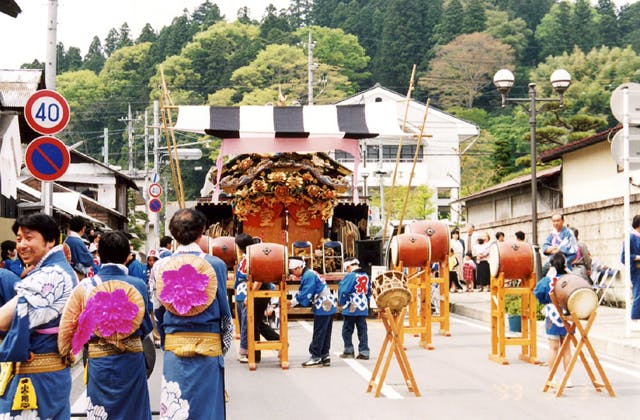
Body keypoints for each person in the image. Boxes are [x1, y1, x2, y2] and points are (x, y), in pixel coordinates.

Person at [61, 231, 153, 419]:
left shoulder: (86, 285)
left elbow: (70, 325)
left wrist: (67, 353)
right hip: (130, 361)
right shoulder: (138, 285)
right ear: (128, 257)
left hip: (99, 360)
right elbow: (145, 327)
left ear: (99, 255)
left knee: (102, 410)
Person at [150, 208, 232, 419]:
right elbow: (225, 316)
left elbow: (158, 311)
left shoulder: (160, 266)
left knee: (177, 407)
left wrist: (167, 337)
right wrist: (221, 349)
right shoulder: (216, 265)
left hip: (174, 348)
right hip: (208, 348)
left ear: (173, 233)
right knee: (208, 410)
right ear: (202, 231)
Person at [0, 213, 77, 418]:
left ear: (50, 240)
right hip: (47, 373)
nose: (22, 245)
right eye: (18, 239)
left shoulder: (51, 274)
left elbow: (2, 320)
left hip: (37, 376)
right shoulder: (55, 270)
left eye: (29, 237)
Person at [288, 258, 336, 367]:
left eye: (293, 271)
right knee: (325, 331)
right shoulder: (311, 273)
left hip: (323, 304)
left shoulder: (308, 276)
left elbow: (305, 293)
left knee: (319, 331)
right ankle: (325, 355)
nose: (293, 274)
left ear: (299, 268)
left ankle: (316, 357)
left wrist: (292, 302)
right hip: (328, 302)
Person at [534, 253, 572, 386]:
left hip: (552, 314)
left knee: (553, 348)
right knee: (566, 349)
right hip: (568, 314)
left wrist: (545, 301)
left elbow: (538, 292)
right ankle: (568, 378)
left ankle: (553, 377)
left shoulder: (548, 280)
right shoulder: (570, 278)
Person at [338, 258, 371, 360]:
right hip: (363, 305)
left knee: (347, 329)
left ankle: (348, 350)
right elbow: (369, 291)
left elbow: (344, 291)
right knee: (362, 330)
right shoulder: (366, 275)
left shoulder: (350, 276)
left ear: (348, 267)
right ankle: (364, 351)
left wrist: (342, 302)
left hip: (351, 305)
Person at [234, 233, 252, 363]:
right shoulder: (244, 259)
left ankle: (246, 350)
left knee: (246, 323)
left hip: (246, 293)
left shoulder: (251, 259)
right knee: (242, 323)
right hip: (241, 293)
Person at [621, 215, 640, 322]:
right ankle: (635, 318)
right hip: (636, 270)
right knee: (638, 294)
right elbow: (624, 258)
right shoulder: (630, 237)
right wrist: (637, 257)